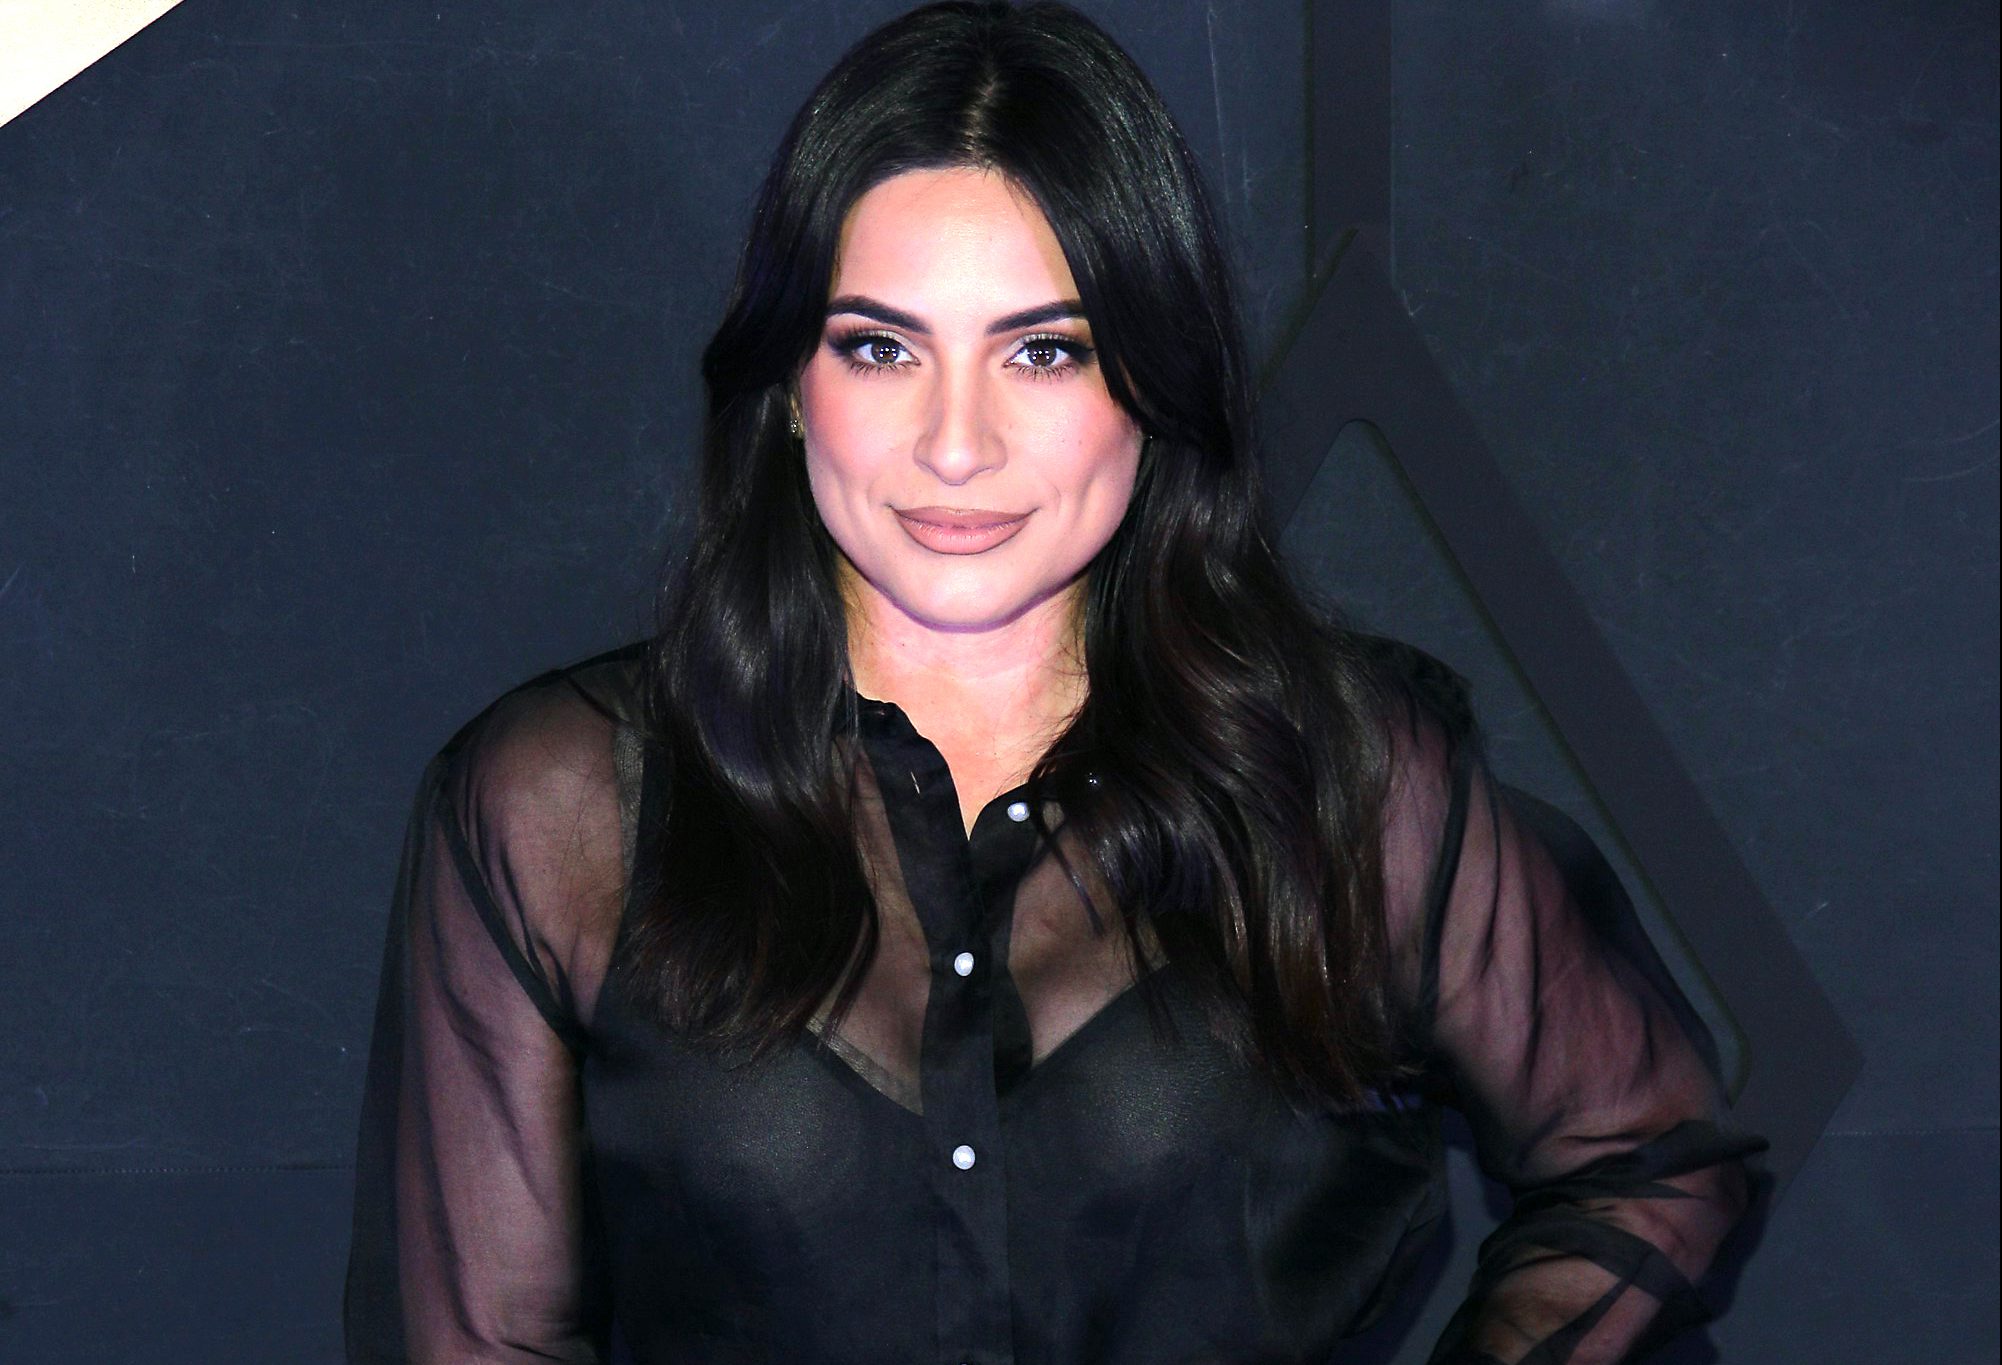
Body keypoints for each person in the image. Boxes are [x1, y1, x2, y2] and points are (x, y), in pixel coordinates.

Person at [342, 3, 1765, 1361]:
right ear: (787, 388)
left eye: (1042, 351)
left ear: (1152, 382)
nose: (955, 444)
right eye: (880, 347)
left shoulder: (1347, 781)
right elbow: (478, 1341)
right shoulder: (561, 810)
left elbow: (1653, 1160)